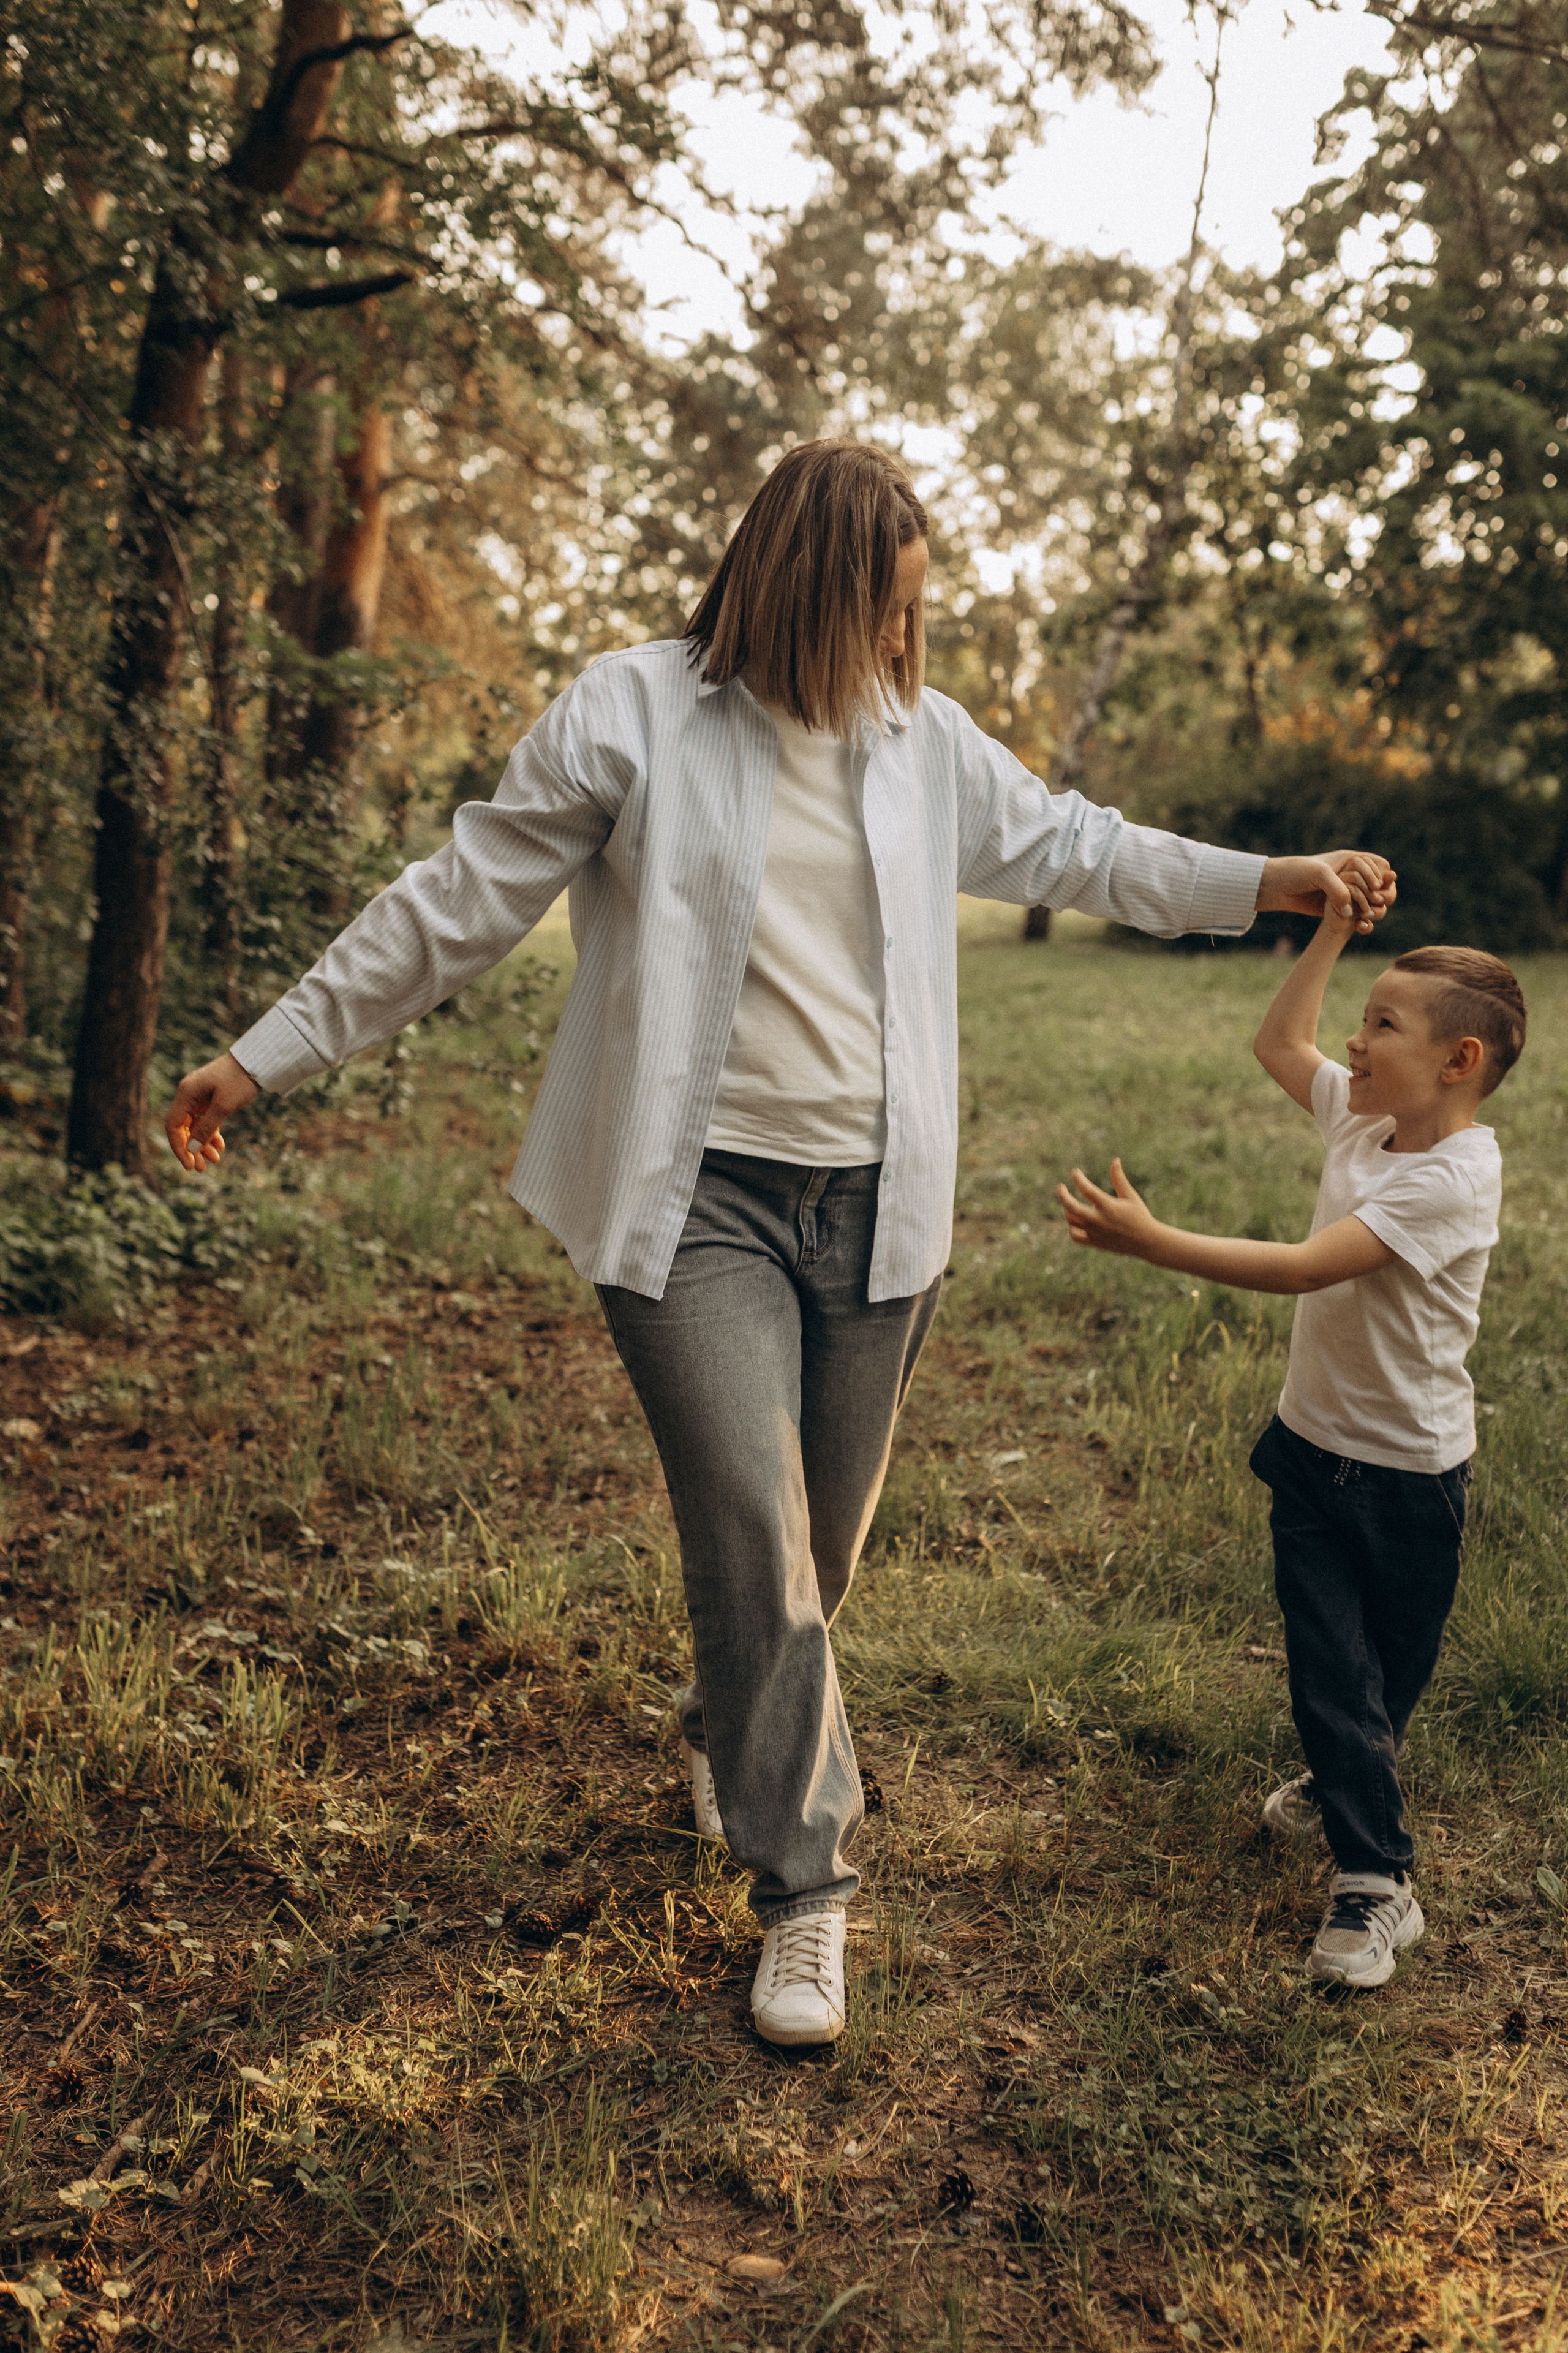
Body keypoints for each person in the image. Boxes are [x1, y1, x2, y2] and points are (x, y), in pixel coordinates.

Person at [165, 438, 1395, 2046]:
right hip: (694, 1213)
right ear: (813, 588)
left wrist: (1274, 883)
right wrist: (269, 1048)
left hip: (880, 1209)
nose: (909, 639)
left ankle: (732, 1718)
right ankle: (807, 1890)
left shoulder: (924, 745)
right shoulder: (633, 714)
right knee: (755, 1532)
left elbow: (1083, 850)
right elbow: (453, 901)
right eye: (889, 607)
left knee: (813, 1554)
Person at [1058, 908, 1525, 1989]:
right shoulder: (1370, 1122)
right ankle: (1376, 1881)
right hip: (1314, 1453)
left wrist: (1155, 1241)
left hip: (1415, 1476)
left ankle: (1343, 1772)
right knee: (1330, 1666)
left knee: (1383, 1677)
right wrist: (1326, 932)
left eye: (1383, 1024)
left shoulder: (1451, 1177)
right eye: (1359, 1019)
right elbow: (1279, 1045)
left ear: (1457, 1062)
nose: (1353, 1043)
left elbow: (1311, 1265)